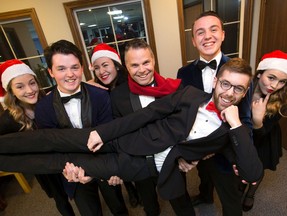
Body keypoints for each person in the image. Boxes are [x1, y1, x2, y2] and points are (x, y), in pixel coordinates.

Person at [0, 58, 263, 213]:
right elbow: (146, 115)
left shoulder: (232, 131)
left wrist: (237, 125)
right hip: (122, 137)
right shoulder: (190, 94)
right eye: (226, 84)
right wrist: (102, 133)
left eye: (238, 89)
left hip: (137, 166)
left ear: (245, 92)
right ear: (216, 82)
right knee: (54, 140)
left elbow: (252, 174)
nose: (229, 93)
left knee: (63, 161)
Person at [35, 40, 128, 216]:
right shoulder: (43, 108)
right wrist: (73, 170)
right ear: (51, 72)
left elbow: (110, 135)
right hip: (72, 171)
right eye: (61, 69)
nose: (70, 74)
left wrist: (113, 168)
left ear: (82, 67)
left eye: (75, 67)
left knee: (118, 208)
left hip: (104, 163)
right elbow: (52, 147)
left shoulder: (101, 96)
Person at [177, 11, 252, 216]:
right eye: (200, 32)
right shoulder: (183, 73)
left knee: (230, 199)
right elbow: (182, 114)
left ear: (223, 34)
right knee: (204, 178)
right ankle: (205, 195)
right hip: (198, 145)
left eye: (213, 29)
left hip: (225, 151)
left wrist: (240, 154)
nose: (207, 36)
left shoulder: (241, 72)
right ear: (193, 40)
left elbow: (244, 120)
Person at [108, 38, 186, 216]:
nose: (142, 70)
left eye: (146, 62)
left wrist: (184, 155)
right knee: (150, 207)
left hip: (171, 160)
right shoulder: (117, 96)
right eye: (134, 65)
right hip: (138, 162)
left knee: (182, 204)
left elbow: (184, 127)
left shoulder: (173, 88)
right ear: (126, 67)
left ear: (153, 60)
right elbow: (117, 133)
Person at [89, 43, 140, 208]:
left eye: (105, 65)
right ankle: (130, 189)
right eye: (97, 68)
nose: (101, 71)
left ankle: (139, 188)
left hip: (130, 133)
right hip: (109, 136)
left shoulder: (130, 84)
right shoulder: (96, 89)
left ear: (117, 66)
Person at [240, 50, 287, 211]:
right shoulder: (244, 88)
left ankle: (250, 194)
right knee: (240, 167)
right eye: (271, 77)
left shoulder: (281, 101)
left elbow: (261, 135)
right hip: (243, 137)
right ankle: (240, 189)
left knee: (257, 169)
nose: (274, 86)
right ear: (260, 73)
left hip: (265, 139)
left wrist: (258, 120)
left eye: (282, 82)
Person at [0, 59, 43, 212]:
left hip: (61, 160)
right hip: (41, 168)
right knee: (58, 198)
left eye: (32, 83)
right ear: (11, 91)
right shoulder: (7, 120)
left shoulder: (46, 102)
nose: (30, 90)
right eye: (20, 86)